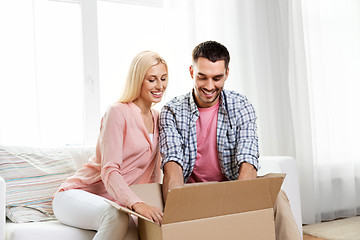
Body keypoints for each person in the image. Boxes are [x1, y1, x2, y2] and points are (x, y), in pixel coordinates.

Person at [159, 41, 301, 240]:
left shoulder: (241, 105)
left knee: (278, 197)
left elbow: (248, 164)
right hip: (192, 193)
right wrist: (178, 214)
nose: (209, 86)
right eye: (202, 77)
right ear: (192, 72)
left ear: (227, 74)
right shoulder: (172, 111)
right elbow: (172, 166)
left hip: (231, 188)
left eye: (217, 78)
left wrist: (236, 214)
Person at [52, 50, 168, 240]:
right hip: (76, 196)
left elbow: (153, 175)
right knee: (116, 217)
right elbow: (110, 170)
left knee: (136, 230)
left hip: (117, 203)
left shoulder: (159, 118)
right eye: (152, 79)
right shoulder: (118, 112)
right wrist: (138, 204)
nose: (160, 85)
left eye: (163, 78)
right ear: (138, 80)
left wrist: (154, 210)